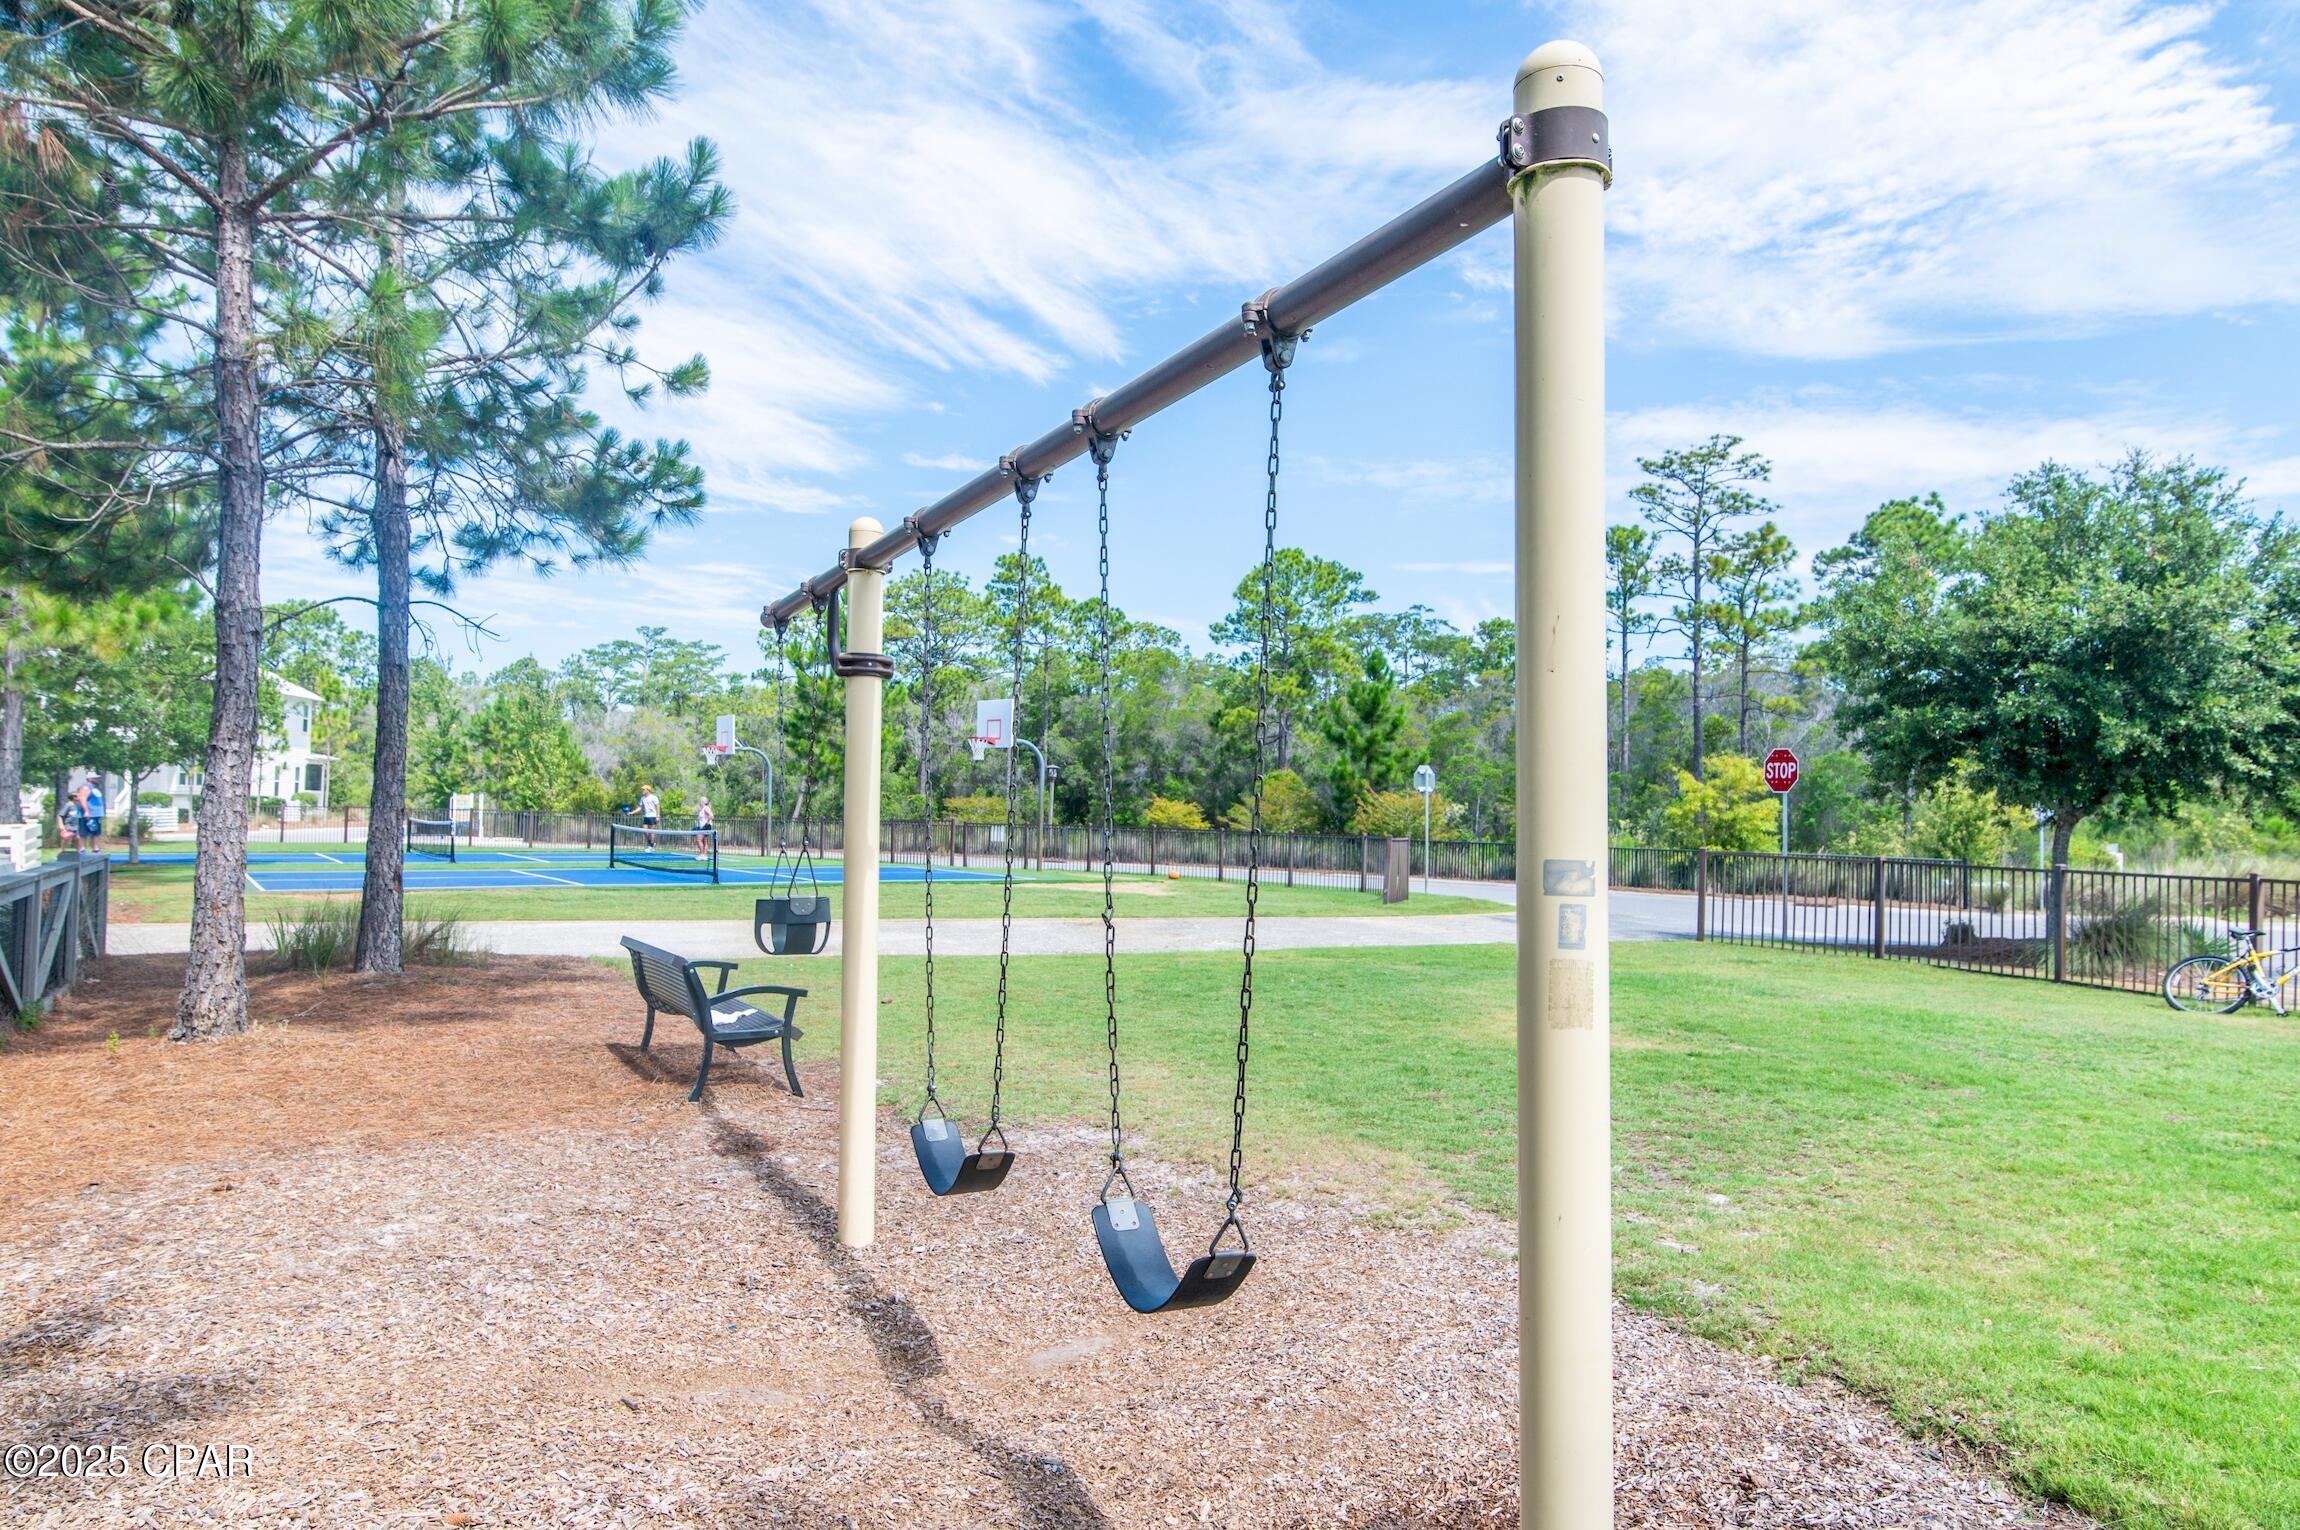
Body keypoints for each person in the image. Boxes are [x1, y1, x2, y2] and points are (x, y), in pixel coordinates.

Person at [56, 785, 84, 855]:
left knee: (77, 838)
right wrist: (61, 825)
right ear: (73, 797)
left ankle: (78, 852)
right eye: (77, 796)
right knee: (66, 838)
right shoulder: (68, 805)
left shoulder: (76, 805)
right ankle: (62, 851)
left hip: (75, 825)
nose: (79, 797)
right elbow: (60, 815)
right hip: (69, 825)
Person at [79, 777, 104, 854]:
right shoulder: (86, 787)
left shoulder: (95, 788)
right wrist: (86, 811)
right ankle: (82, 849)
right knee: (84, 832)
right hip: (89, 814)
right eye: (96, 778)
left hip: (96, 814)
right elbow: (83, 799)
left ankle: (96, 848)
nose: (98, 779)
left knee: (96, 832)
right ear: (89, 778)